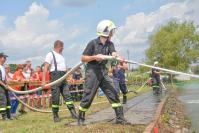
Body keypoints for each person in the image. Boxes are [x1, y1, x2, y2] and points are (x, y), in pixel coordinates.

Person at [78, 20, 130, 126]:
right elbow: (83, 58)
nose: (112, 33)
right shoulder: (92, 43)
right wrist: (94, 57)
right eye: (111, 31)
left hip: (103, 72)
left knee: (113, 93)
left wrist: (117, 56)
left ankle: (120, 118)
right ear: (105, 31)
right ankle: (81, 118)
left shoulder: (110, 44)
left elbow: (113, 52)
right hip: (92, 72)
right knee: (89, 95)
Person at [42, 40, 78, 122]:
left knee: (67, 95)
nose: (63, 49)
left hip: (63, 78)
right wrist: (43, 81)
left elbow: (65, 69)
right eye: (63, 47)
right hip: (55, 77)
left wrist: (69, 77)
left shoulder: (61, 56)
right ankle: (55, 115)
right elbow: (45, 68)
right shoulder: (50, 54)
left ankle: (73, 113)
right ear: (60, 46)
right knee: (56, 98)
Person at [0, 52, 12, 120]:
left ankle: (8, 116)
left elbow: (5, 78)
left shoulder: (3, 67)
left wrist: (7, 84)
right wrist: (4, 85)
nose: (5, 59)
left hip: (4, 85)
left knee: (7, 101)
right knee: (3, 101)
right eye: (4, 58)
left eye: (5, 58)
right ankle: (4, 117)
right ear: (0, 58)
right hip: (1, 87)